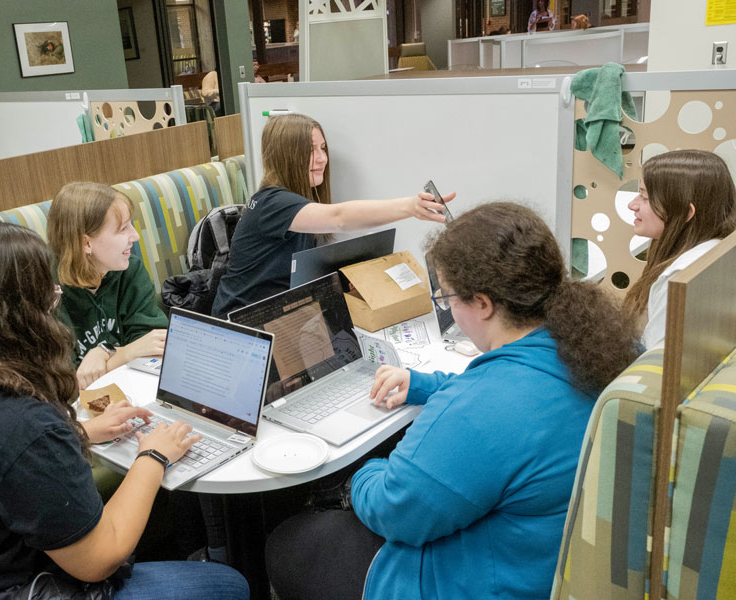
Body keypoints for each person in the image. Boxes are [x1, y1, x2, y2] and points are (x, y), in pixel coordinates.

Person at [0, 219, 249, 600]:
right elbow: (100, 559)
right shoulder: (24, 423)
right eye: (50, 295)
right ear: (23, 314)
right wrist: (153, 455)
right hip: (8, 588)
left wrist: (80, 433)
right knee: (230, 585)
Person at [265, 202, 641, 599]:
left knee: (293, 541)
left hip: (480, 581)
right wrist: (426, 384)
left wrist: (359, 475)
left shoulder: (481, 407)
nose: (448, 308)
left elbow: (396, 511)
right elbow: (513, 395)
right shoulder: (599, 346)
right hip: (546, 563)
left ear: (482, 303)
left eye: (446, 298)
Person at [211, 113, 455, 317]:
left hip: (280, 317)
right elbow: (339, 218)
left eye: (323, 148)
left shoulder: (294, 203)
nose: (322, 159)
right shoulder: (272, 203)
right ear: (286, 156)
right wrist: (411, 207)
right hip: (243, 324)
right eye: (310, 150)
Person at [48, 182, 168, 390]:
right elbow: (68, 383)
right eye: (123, 229)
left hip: (131, 388)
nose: (135, 236)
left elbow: (153, 342)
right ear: (86, 244)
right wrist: (126, 353)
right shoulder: (48, 292)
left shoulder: (129, 268)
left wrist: (105, 352)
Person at [624, 149, 736, 349]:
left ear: (685, 212)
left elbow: (655, 359)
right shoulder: (718, 247)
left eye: (644, 197)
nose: (632, 205)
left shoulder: (679, 279)